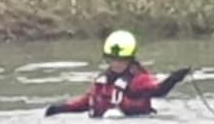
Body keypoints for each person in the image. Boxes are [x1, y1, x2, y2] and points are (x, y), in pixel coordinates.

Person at [44, 30, 190, 118]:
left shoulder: (139, 80)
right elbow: (86, 102)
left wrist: (173, 79)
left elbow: (158, 89)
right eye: (112, 59)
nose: (116, 63)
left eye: (122, 60)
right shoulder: (103, 81)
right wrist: (61, 109)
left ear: (130, 59)